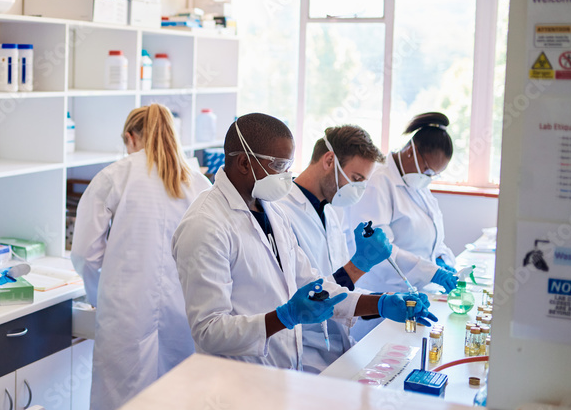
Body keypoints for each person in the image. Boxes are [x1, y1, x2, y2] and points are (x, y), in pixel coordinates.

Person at [172, 113, 434, 369]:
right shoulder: (205, 224)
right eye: (279, 167)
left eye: (289, 166)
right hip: (239, 378)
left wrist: (380, 303)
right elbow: (208, 331)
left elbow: (315, 287)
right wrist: (284, 317)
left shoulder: (271, 211)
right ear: (243, 163)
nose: (287, 176)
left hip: (285, 370)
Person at [71, 103, 211, 410]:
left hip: (126, 312)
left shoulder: (114, 176)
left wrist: (97, 296)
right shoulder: (199, 182)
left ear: (130, 137)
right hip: (184, 312)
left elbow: (85, 254)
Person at [279, 125, 389, 373]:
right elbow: (308, 294)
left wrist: (381, 302)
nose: (358, 188)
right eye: (357, 178)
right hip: (306, 354)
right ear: (329, 160)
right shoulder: (282, 212)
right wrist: (359, 267)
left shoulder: (330, 211)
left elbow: (338, 285)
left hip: (338, 348)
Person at [345, 112, 459, 297]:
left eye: (434, 174)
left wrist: (441, 259)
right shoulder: (377, 180)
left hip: (416, 291)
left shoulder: (417, 182)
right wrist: (431, 272)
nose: (428, 177)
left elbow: (433, 236)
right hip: (382, 294)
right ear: (411, 151)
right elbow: (377, 247)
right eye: (427, 169)